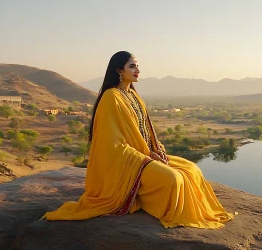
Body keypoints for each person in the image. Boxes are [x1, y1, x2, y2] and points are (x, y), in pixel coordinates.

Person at [41, 51, 234, 229]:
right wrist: (148, 158)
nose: (138, 71)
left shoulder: (133, 95)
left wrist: (157, 150)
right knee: (174, 179)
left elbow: (147, 131)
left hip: (144, 156)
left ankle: (148, 192)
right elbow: (112, 146)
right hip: (126, 165)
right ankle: (138, 196)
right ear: (119, 70)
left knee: (192, 169)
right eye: (132, 66)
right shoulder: (111, 98)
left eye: (137, 66)